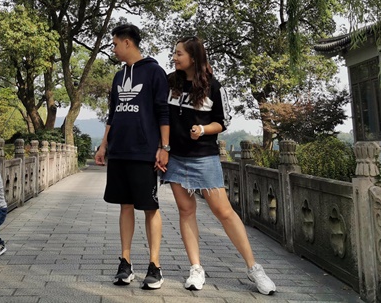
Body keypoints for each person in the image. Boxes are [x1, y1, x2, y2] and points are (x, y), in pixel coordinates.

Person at [163, 36, 277, 295]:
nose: (174, 57)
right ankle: (196, 268)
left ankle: (253, 268)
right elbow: (162, 115)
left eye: (179, 53)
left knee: (223, 211)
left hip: (204, 156)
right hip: (176, 158)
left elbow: (222, 122)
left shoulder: (213, 86)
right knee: (185, 211)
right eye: (174, 53)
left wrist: (202, 129)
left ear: (193, 57)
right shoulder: (171, 82)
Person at [94, 23, 170, 290]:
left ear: (127, 42)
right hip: (119, 151)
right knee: (124, 205)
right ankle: (125, 263)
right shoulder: (118, 76)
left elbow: (163, 112)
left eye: (114, 44)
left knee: (150, 207)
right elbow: (112, 114)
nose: (113, 49)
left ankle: (155, 265)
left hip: (144, 151)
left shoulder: (154, 72)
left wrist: (165, 147)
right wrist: (104, 145)